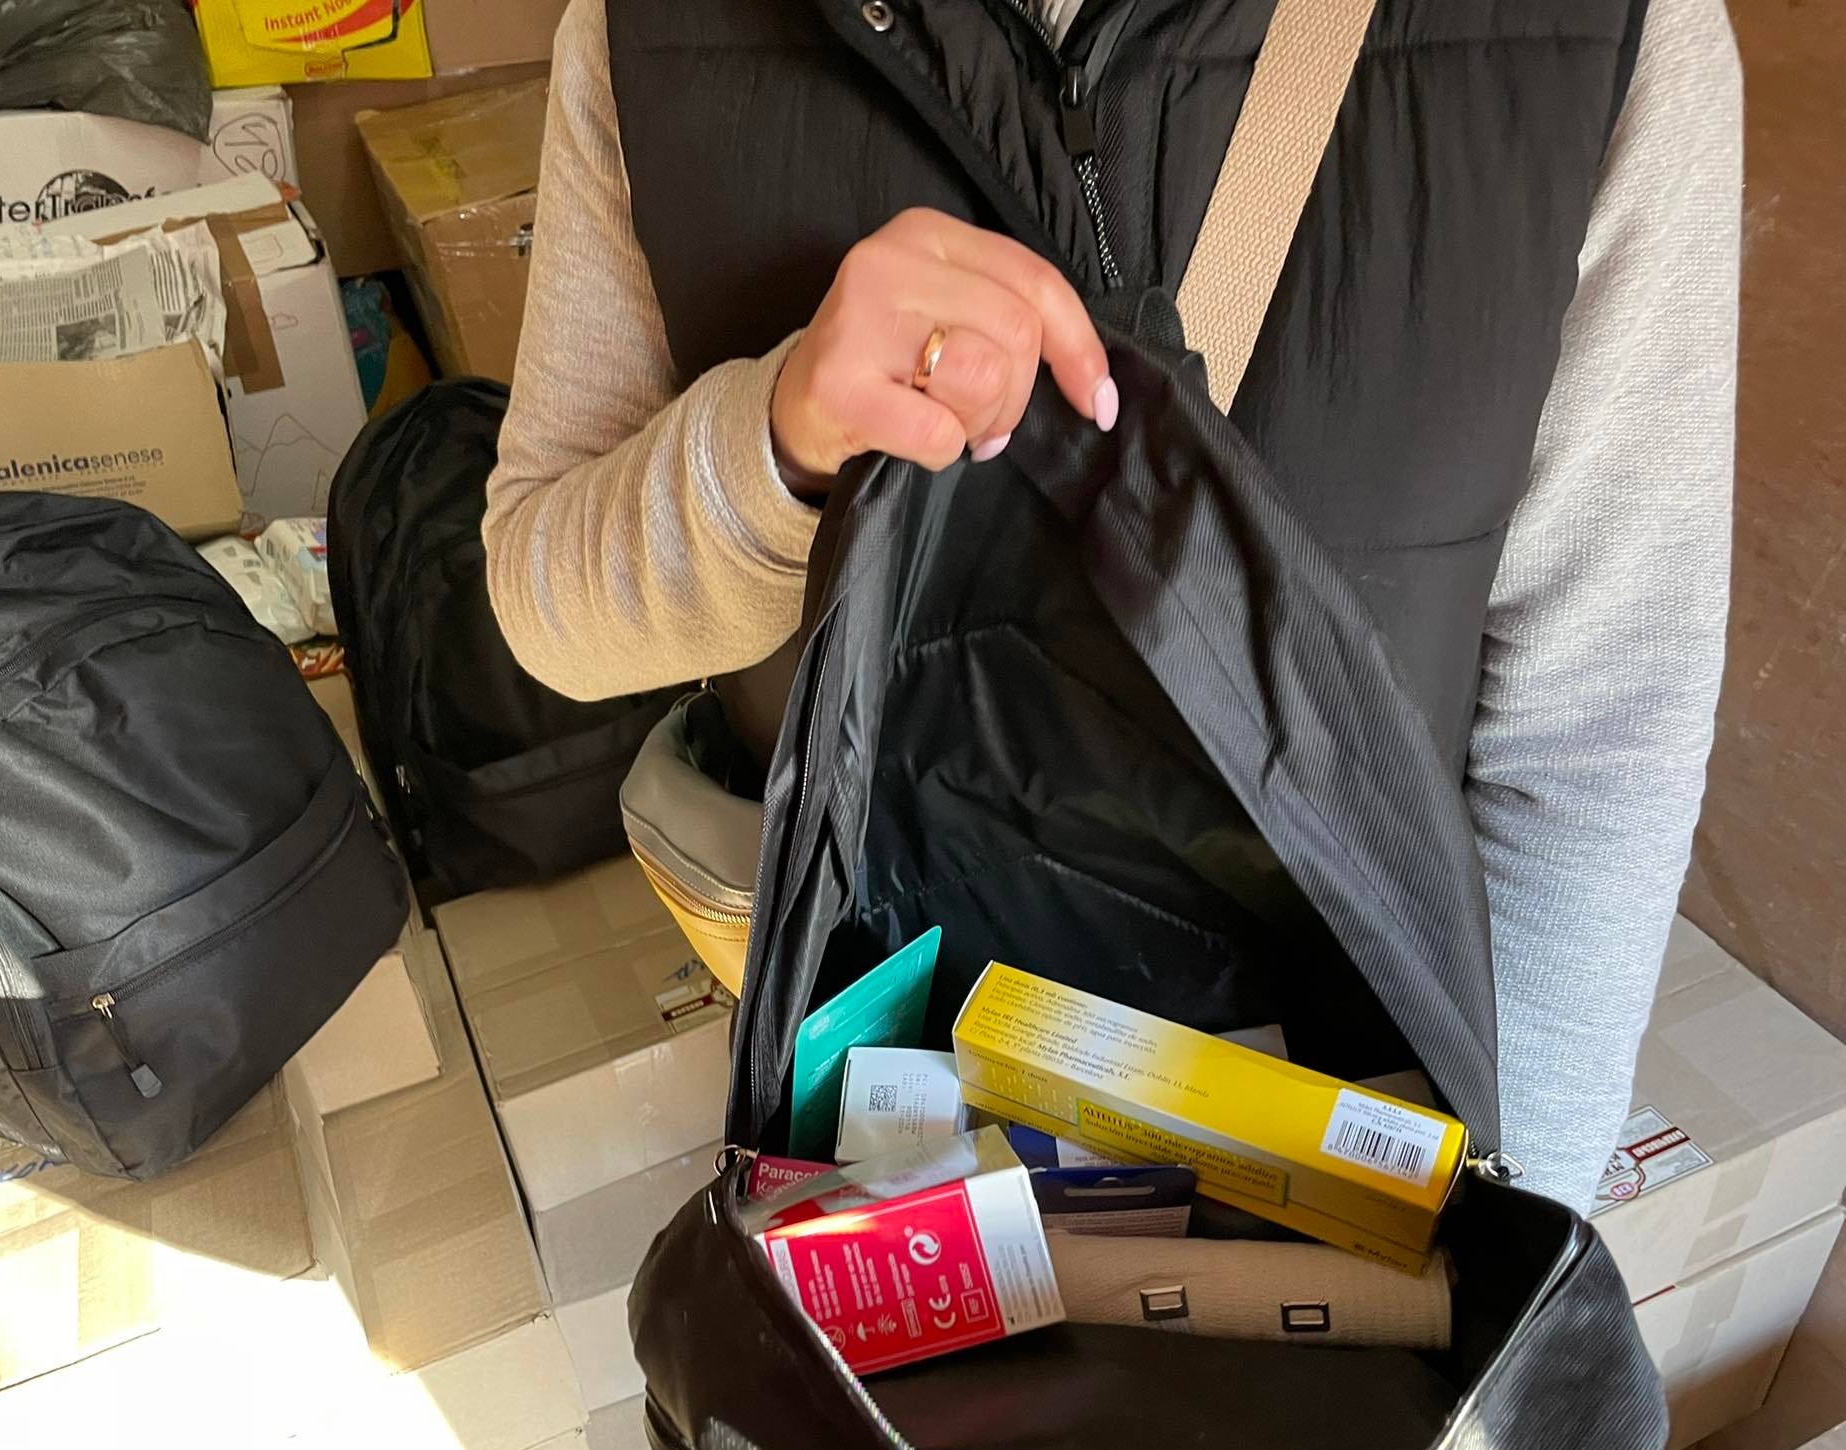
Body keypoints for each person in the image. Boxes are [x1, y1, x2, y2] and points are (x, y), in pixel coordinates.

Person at [484, 0, 1741, 1211]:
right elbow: (546, 608)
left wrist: (1509, 1239)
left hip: (1351, 1158)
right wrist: (777, 446)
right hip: (882, 1138)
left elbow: (1595, 729)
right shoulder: (640, 30)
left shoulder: (1610, 33)